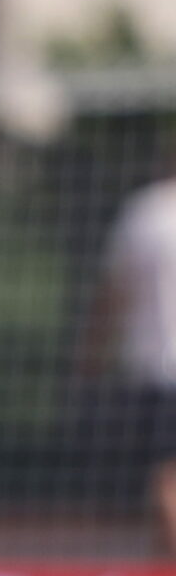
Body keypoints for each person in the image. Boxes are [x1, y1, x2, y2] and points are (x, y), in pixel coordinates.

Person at [89, 155, 176, 554]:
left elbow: (114, 293)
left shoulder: (146, 213)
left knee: (166, 477)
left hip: (158, 368)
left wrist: (92, 349)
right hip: (158, 369)